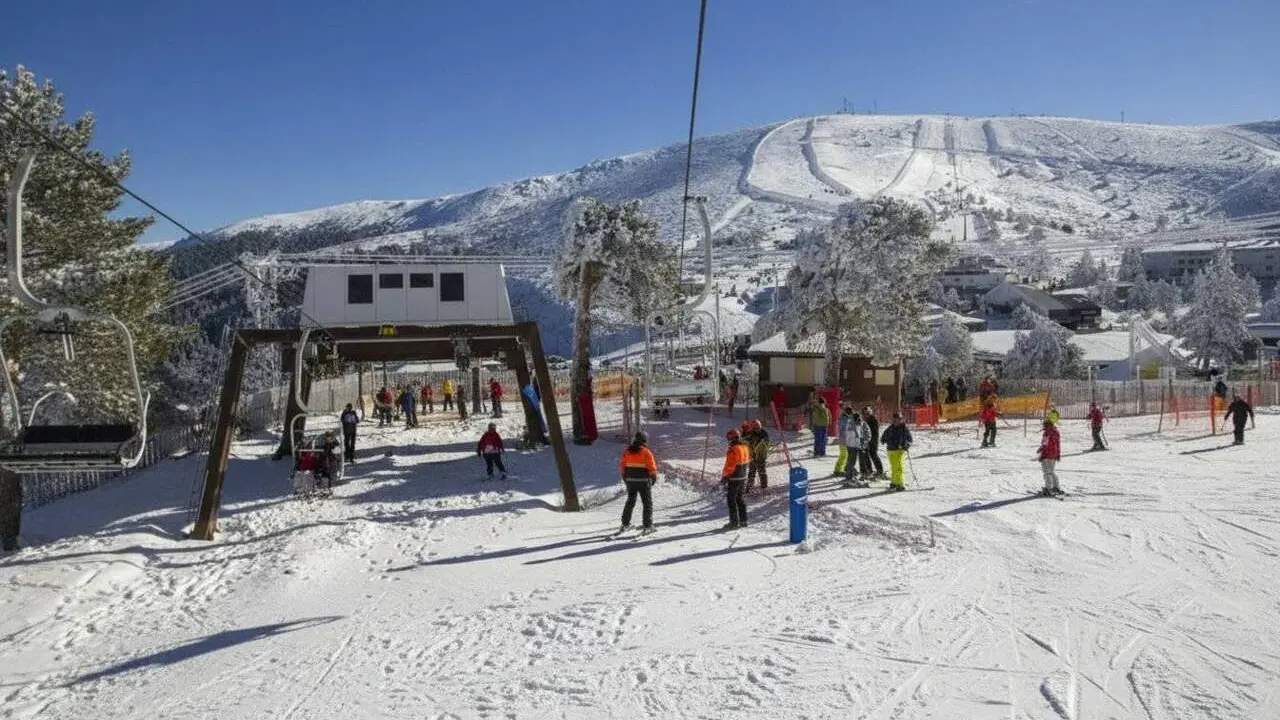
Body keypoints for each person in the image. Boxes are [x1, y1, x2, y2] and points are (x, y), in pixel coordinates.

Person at [618, 431, 658, 533]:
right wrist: (653, 478)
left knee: (630, 501)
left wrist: (625, 478)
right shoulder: (646, 452)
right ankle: (648, 526)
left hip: (630, 481)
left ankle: (625, 524)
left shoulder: (627, 451)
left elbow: (622, 466)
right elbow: (652, 467)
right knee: (647, 503)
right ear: (644, 440)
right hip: (643, 481)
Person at [721, 429, 751, 530]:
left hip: (734, 477)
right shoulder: (745, 447)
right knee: (740, 498)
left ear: (733, 438)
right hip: (743, 476)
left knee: (731, 499)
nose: (728, 440)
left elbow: (730, 465)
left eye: (729, 438)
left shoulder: (733, 449)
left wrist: (725, 476)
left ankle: (734, 522)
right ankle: (744, 520)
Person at [880, 412, 913, 491]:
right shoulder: (890, 428)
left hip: (900, 450)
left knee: (899, 467)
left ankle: (900, 483)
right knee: (894, 467)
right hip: (891, 450)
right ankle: (894, 483)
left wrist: (907, 445)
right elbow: (883, 437)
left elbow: (910, 439)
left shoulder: (904, 428)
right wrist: (884, 440)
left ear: (901, 420)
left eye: (898, 420)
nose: (895, 422)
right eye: (894, 420)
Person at [841, 411, 869, 486]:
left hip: (853, 445)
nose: (858, 421)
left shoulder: (857, 423)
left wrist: (864, 441)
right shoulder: (851, 424)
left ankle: (854, 474)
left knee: (853, 460)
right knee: (852, 461)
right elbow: (852, 435)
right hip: (852, 445)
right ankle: (849, 476)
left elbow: (864, 434)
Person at [1037, 419, 1062, 496]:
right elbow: (1058, 444)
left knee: (1046, 472)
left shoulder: (1047, 433)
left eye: (1044, 425)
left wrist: (1041, 453)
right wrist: (1058, 454)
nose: (1043, 426)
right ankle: (1056, 486)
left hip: (1047, 454)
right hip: (1054, 454)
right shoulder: (1056, 432)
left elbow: (1045, 444)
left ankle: (1048, 488)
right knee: (1051, 471)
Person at [745, 419, 771, 491]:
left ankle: (764, 486)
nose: (756, 429)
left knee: (762, 472)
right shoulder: (751, 433)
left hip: (760, 457)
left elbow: (764, 446)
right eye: (755, 428)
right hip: (753, 457)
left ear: (760, 426)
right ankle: (750, 485)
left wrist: (757, 452)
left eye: (758, 427)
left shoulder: (764, 434)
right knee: (751, 472)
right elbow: (747, 441)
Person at [861, 406, 884, 478]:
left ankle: (880, 470)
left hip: (872, 441)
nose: (865, 415)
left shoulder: (873, 420)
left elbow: (874, 432)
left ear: (870, 413)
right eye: (864, 414)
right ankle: (869, 470)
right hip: (866, 441)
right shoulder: (864, 421)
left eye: (867, 414)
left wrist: (871, 441)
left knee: (873, 454)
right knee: (865, 455)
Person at [833, 405, 856, 478]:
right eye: (851, 412)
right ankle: (837, 469)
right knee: (844, 455)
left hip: (846, 440)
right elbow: (846, 428)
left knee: (846, 455)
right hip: (844, 440)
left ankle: (845, 468)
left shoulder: (846, 418)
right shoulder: (844, 419)